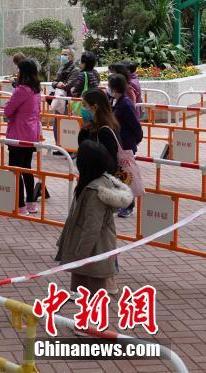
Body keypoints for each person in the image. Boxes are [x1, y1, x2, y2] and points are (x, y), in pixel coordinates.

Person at [55, 140, 133, 293]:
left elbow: (92, 226)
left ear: (86, 164)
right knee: (81, 292)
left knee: (92, 294)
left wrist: (81, 254)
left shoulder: (95, 191)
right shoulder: (93, 182)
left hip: (92, 249)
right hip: (88, 247)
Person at [3, 59, 42, 215]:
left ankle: (20, 205)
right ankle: (31, 204)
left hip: (18, 134)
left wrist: (6, 109)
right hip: (31, 134)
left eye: (19, 70)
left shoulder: (22, 90)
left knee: (16, 170)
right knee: (27, 169)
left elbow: (8, 110)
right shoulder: (36, 89)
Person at [108, 74, 144, 218]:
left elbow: (136, 126)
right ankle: (122, 202)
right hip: (118, 143)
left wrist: (136, 140)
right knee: (120, 175)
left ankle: (129, 205)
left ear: (114, 88)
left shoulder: (126, 104)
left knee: (127, 175)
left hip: (126, 144)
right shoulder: (116, 101)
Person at [77, 89, 119, 175]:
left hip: (100, 180)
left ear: (95, 107)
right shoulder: (92, 127)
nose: (82, 109)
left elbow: (111, 165)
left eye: (84, 105)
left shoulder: (105, 132)